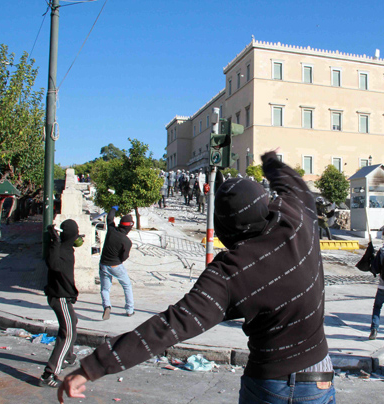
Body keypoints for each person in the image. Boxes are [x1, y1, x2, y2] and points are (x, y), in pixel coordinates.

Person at [58, 151, 335, 403]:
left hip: (272, 384)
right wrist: (270, 162)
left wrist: (91, 367)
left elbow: (169, 326)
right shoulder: (298, 219)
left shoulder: (230, 273)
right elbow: (293, 185)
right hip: (322, 377)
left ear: (225, 229)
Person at [39, 220, 80, 388]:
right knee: (67, 334)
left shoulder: (65, 247)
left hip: (62, 296)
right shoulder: (61, 249)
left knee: (73, 323)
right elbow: (54, 264)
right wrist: (54, 241)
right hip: (60, 297)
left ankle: (68, 357)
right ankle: (49, 374)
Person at [99, 206, 135, 319]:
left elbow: (109, 218)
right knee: (127, 285)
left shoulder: (111, 230)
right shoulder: (126, 241)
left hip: (103, 264)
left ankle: (107, 306)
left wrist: (114, 209)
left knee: (105, 288)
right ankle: (129, 309)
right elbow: (124, 257)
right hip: (116, 265)